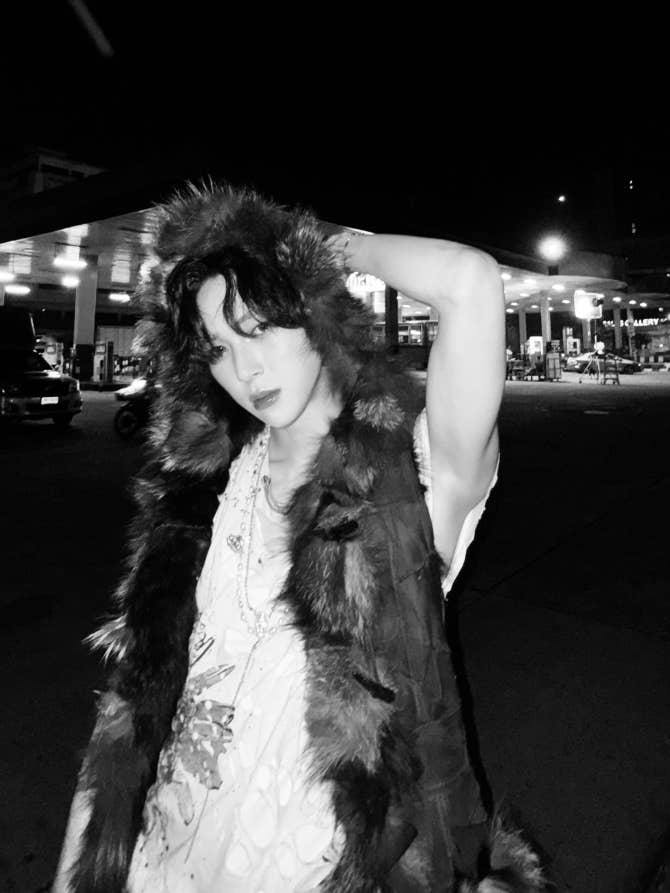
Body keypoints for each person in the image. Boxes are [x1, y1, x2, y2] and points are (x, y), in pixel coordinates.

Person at [54, 183, 548, 892]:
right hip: (165, 851)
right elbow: (138, 684)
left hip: (312, 866)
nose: (245, 369)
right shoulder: (208, 479)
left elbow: (469, 281)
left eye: (260, 326)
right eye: (219, 348)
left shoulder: (408, 476)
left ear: (313, 310)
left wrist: (317, 250)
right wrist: (79, 863)